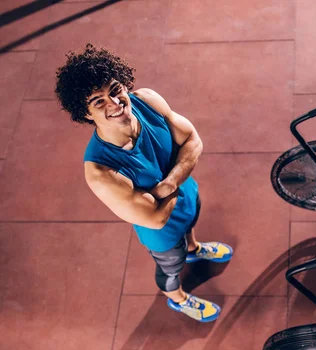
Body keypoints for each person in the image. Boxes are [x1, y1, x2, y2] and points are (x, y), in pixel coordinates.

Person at [55, 44, 233, 322]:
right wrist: (179, 170)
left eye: (115, 90)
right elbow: (155, 219)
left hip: (188, 195)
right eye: (98, 101)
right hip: (162, 235)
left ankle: (194, 249)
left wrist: (166, 186)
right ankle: (178, 299)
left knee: (191, 226)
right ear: (85, 113)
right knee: (170, 270)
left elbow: (194, 140)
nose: (114, 103)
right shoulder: (101, 171)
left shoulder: (147, 100)